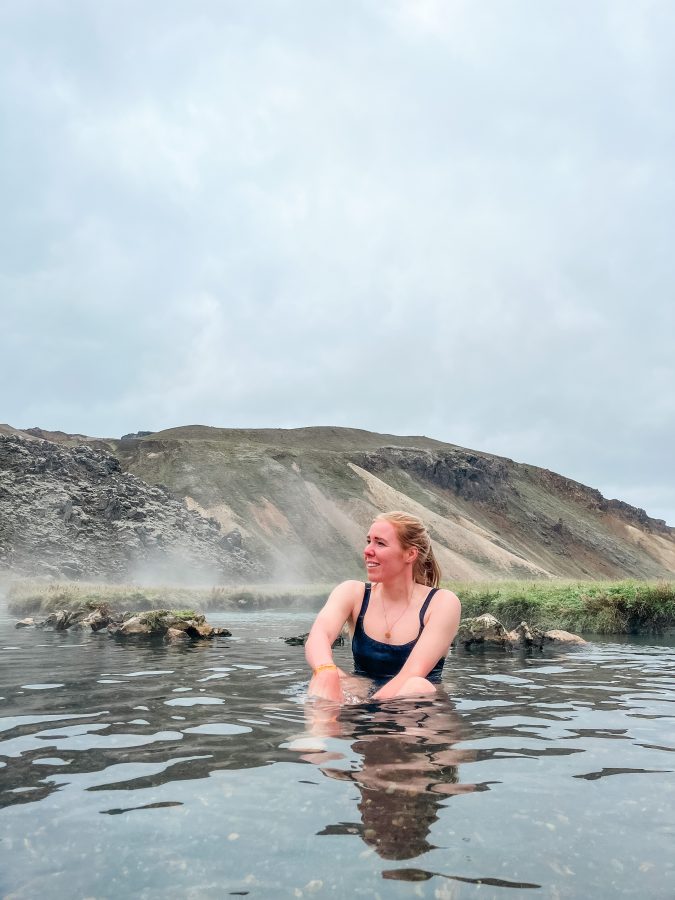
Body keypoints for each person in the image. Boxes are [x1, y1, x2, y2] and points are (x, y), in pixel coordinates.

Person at [305, 511, 461, 702]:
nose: (367, 550)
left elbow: (412, 673)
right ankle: (324, 722)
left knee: (417, 685)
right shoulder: (353, 592)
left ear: (410, 554)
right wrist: (326, 670)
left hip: (416, 708)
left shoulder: (442, 602)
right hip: (363, 695)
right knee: (323, 676)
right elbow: (318, 636)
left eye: (380, 543)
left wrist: (368, 708)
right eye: (368, 541)